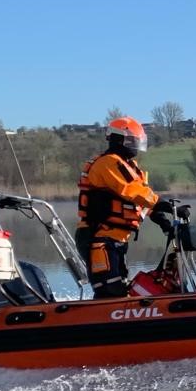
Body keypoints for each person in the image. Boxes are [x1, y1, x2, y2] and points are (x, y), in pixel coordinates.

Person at [75, 117, 173, 298]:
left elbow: (140, 197)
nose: (136, 146)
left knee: (120, 287)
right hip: (98, 235)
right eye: (133, 141)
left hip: (116, 238)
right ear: (119, 139)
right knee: (110, 291)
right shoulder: (108, 163)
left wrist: (160, 218)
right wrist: (160, 202)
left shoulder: (130, 166)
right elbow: (132, 191)